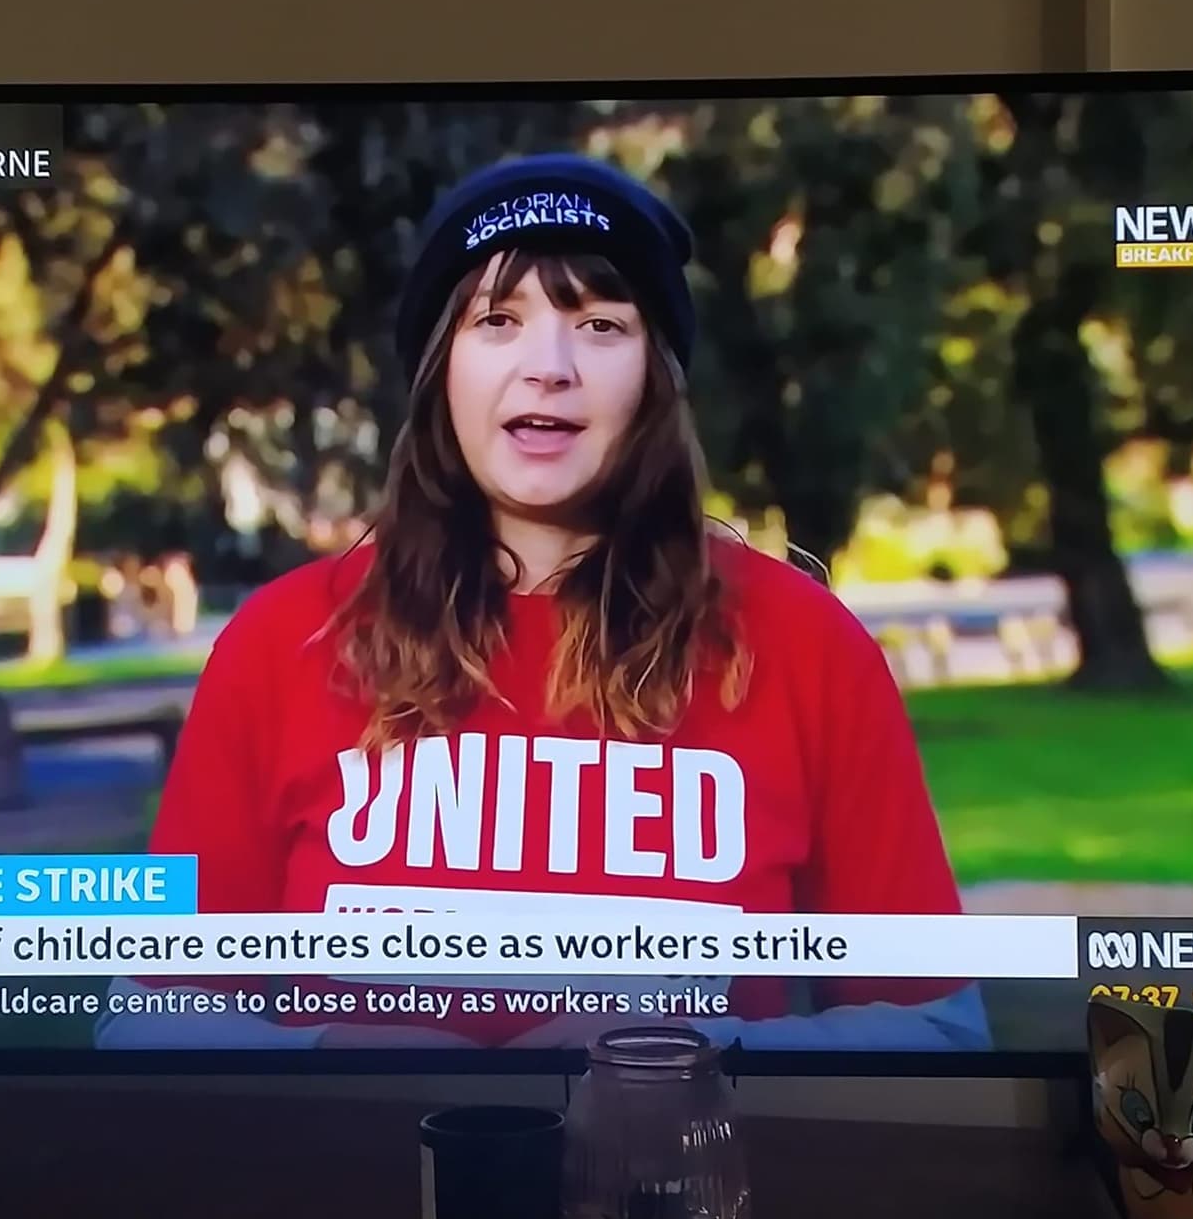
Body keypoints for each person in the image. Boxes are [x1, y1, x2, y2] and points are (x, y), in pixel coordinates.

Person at [97, 152, 990, 1051]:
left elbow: (941, 1030)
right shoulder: (286, 638)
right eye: (498, 320)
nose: (549, 367)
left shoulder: (803, 644)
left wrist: (694, 1053)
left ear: (655, 377)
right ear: (441, 368)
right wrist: (336, 1055)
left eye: (601, 324)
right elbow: (145, 1019)